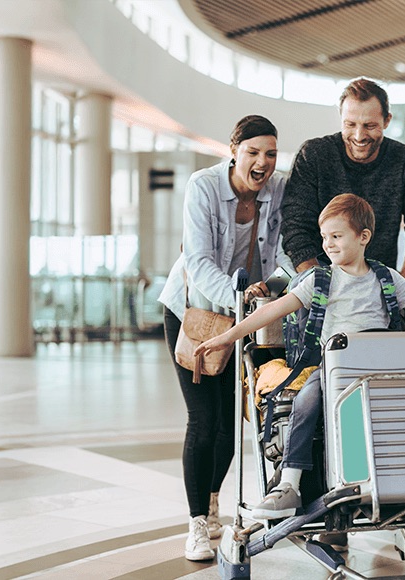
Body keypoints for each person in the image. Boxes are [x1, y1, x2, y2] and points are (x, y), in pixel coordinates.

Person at [196, 194, 405, 521]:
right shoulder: (319, 281)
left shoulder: (386, 278)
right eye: (325, 237)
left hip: (385, 367)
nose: (328, 244)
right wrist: (226, 336)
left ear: (363, 237)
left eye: (337, 236)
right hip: (335, 369)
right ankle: (289, 483)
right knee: (306, 399)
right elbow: (272, 311)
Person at [156, 115, 289, 561]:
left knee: (232, 426)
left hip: (243, 318)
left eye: (270, 153)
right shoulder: (204, 185)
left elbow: (287, 252)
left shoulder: (280, 189)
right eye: (253, 152)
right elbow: (196, 258)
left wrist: (270, 289)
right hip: (193, 312)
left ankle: (214, 504)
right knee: (203, 420)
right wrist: (237, 298)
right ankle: (196, 523)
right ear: (234, 150)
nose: (262, 162)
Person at [282, 78, 405, 283]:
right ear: (341, 119)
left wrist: (400, 286)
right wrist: (319, 285)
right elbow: (295, 228)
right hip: (318, 286)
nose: (359, 135)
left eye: (370, 126)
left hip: (380, 287)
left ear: (387, 121)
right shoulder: (313, 155)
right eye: (350, 124)